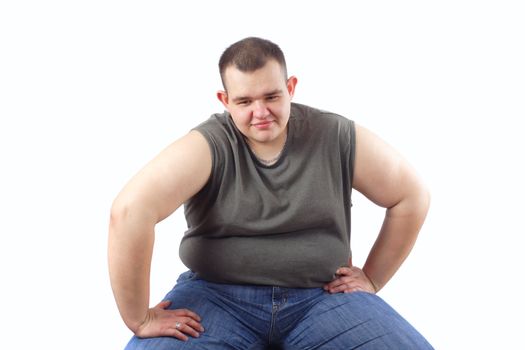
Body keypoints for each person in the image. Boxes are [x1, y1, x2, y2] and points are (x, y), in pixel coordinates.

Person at [108, 37, 433, 349]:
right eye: (245, 102)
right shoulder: (207, 146)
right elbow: (129, 212)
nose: (260, 112)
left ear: (290, 88)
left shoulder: (333, 134)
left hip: (322, 296)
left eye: (272, 97)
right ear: (225, 101)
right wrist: (139, 317)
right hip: (216, 297)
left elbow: (411, 195)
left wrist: (372, 279)